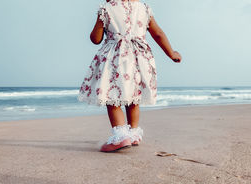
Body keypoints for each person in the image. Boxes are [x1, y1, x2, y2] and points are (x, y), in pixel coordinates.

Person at [78, 0, 182, 152]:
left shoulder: (107, 8)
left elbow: (96, 39)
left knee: (112, 96)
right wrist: (171, 53)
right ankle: (133, 134)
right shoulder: (144, 8)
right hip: (139, 57)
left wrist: (101, 19)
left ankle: (120, 137)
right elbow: (158, 34)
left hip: (115, 58)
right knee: (134, 96)